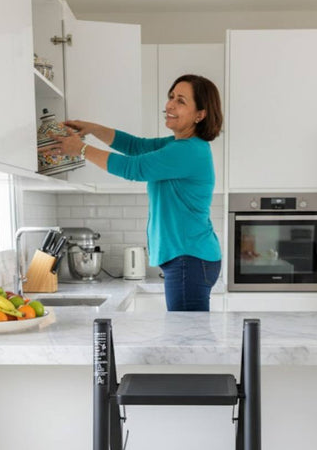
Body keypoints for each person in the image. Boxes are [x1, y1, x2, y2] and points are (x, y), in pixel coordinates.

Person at [44, 74, 223, 311]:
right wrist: (94, 129)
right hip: (189, 257)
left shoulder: (189, 151)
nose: (170, 105)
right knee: (187, 330)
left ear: (200, 114)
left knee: (186, 332)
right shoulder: (178, 145)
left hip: (189, 259)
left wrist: (82, 149)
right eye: (171, 97)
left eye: (181, 101)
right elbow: (135, 146)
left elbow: (133, 168)